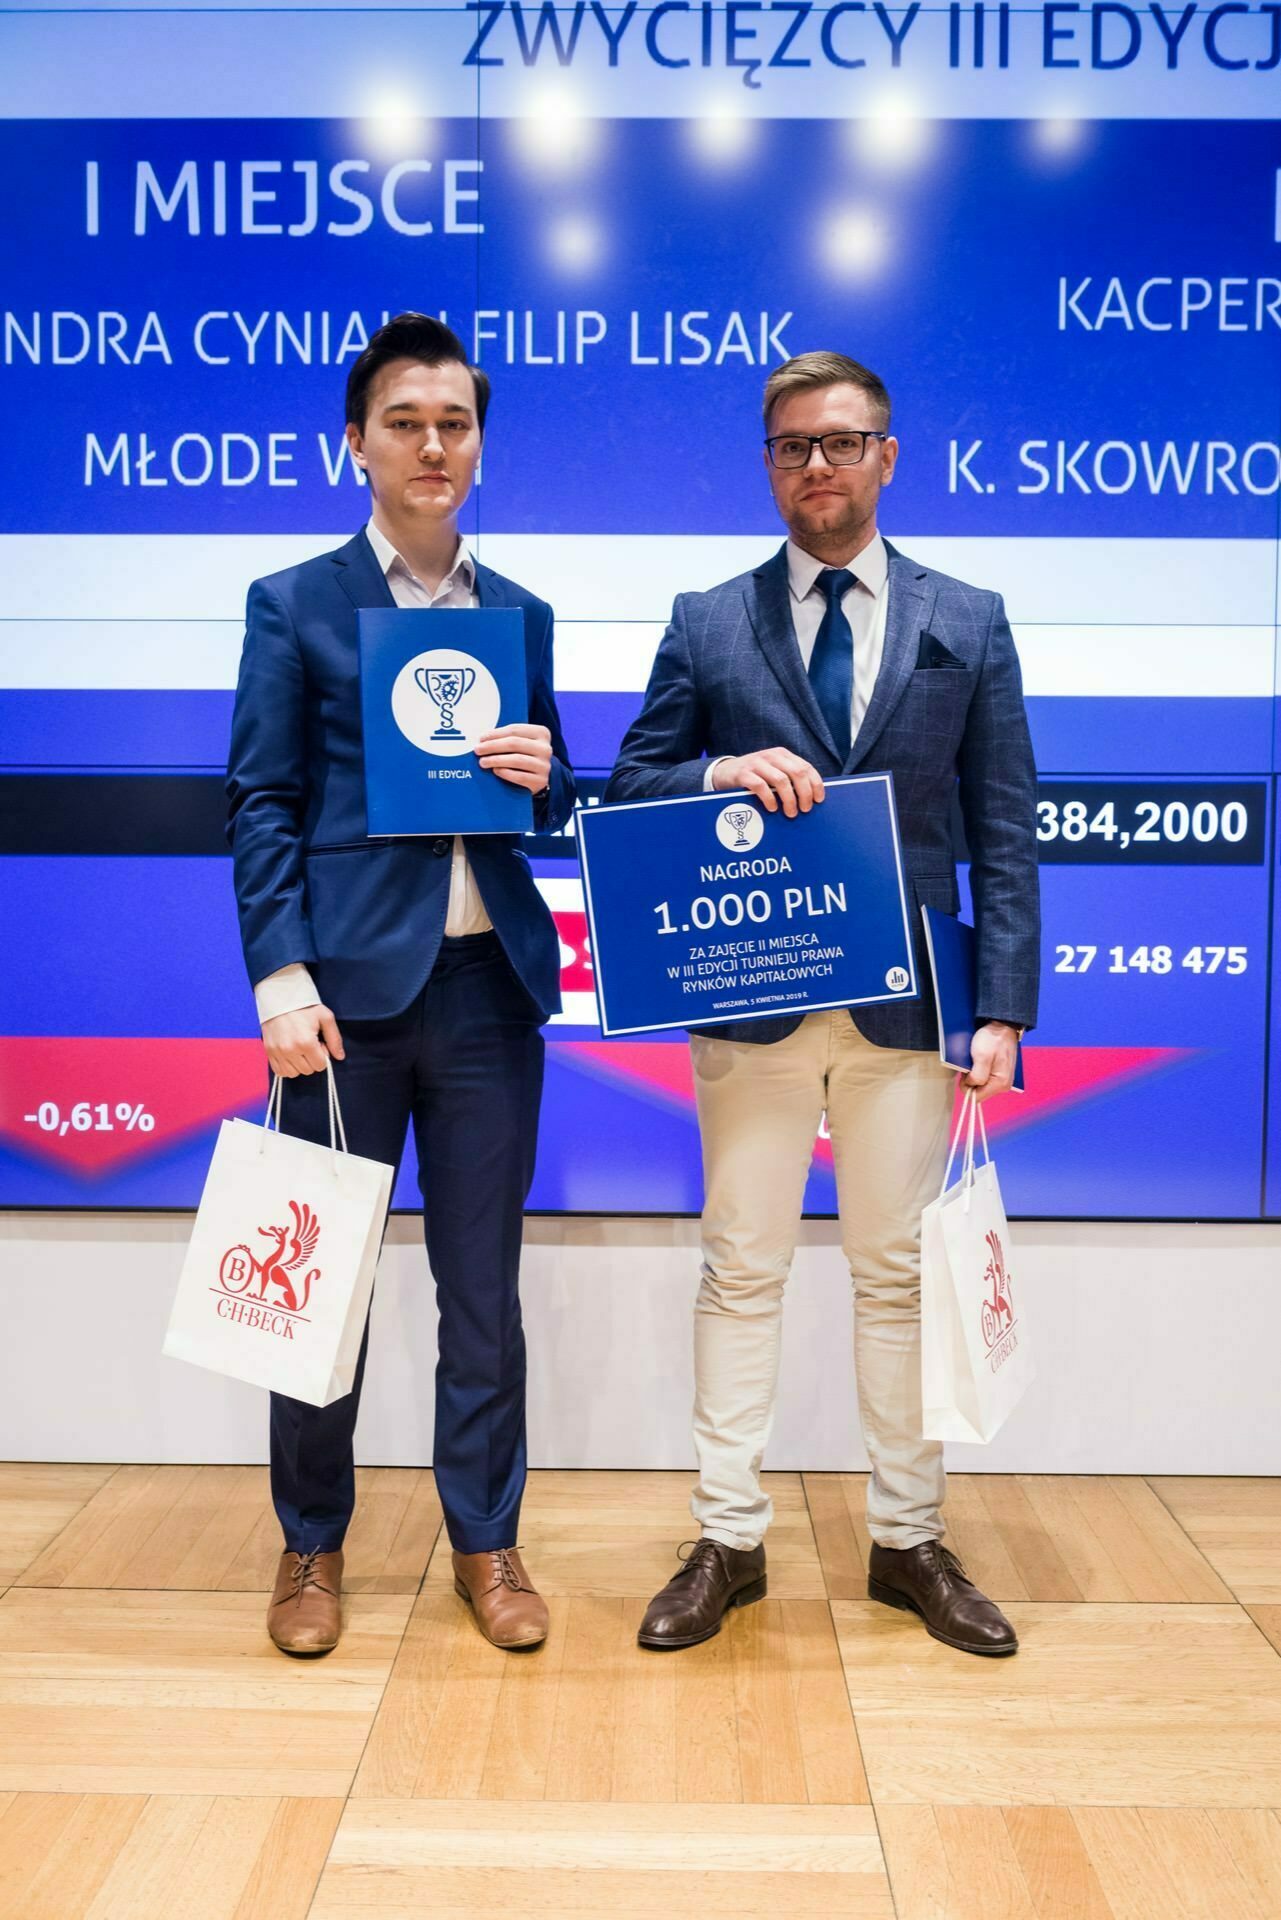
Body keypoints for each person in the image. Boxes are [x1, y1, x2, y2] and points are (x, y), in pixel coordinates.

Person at [605, 351, 1039, 1657]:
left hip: (912, 1010)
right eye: (794, 446)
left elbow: (1003, 829)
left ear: (887, 456)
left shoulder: (968, 614)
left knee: (895, 1278)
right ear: (767, 461)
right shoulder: (705, 618)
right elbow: (629, 789)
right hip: (749, 1003)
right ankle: (725, 1540)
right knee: (739, 1269)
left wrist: (1003, 1005)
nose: (819, 467)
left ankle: (907, 1538)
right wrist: (715, 768)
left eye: (843, 443)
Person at [226, 313, 574, 1655]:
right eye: (404, 423)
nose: (433, 445)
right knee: (316, 1295)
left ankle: (486, 1544)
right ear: (356, 445)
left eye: (455, 424)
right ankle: (310, 1550)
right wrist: (276, 972)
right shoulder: (296, 604)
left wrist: (548, 780)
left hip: (491, 995)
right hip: (337, 1010)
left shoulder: (516, 615)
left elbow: (548, 804)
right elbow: (260, 800)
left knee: (482, 1293)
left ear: (477, 447)